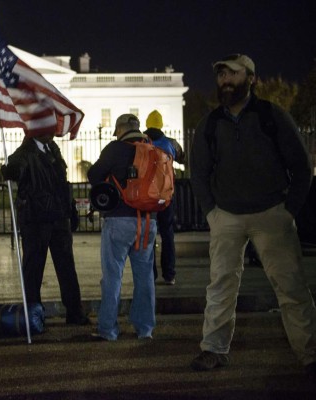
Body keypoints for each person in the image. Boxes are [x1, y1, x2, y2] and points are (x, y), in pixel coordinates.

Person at [189, 53, 316, 377]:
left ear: (251, 78)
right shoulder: (210, 124)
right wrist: (211, 212)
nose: (225, 81)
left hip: (271, 213)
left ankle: (309, 353)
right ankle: (213, 349)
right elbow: (199, 173)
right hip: (226, 217)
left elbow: (302, 167)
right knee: (220, 286)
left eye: (232, 74)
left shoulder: (273, 116)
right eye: (221, 76)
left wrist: (289, 211)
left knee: (291, 288)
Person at [1, 133, 89, 326]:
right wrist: (10, 170)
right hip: (37, 221)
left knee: (67, 269)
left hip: (59, 218)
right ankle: (33, 316)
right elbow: (16, 170)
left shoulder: (53, 149)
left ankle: (75, 312)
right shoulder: (25, 152)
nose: (53, 131)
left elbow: (61, 183)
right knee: (33, 270)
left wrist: (70, 208)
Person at [87, 114, 157, 341]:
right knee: (145, 277)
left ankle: (108, 329)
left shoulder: (115, 148)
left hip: (119, 220)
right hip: (147, 221)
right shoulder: (152, 147)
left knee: (112, 276)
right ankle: (145, 328)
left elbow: (93, 175)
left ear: (119, 129)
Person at [144, 110, 185, 285]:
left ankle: (151, 275)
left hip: (147, 196)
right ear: (161, 125)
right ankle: (169, 274)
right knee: (167, 234)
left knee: (149, 235)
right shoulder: (171, 143)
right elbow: (183, 159)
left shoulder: (142, 141)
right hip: (166, 194)